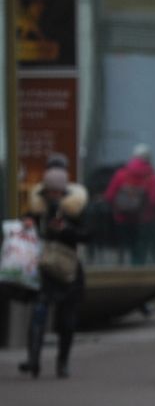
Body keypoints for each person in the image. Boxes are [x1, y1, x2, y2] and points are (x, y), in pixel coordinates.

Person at [19, 160, 88, 379]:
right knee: (38, 313)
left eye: (58, 191)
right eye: (51, 191)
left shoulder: (75, 206)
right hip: (44, 268)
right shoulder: (38, 205)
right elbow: (26, 226)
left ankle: (62, 362)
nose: (54, 195)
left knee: (67, 320)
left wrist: (66, 228)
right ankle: (33, 360)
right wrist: (28, 222)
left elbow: (88, 234)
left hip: (68, 270)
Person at [103, 145, 155, 265]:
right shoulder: (152, 177)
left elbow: (109, 196)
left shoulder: (121, 174)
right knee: (139, 250)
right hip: (143, 221)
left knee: (123, 249)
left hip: (122, 219)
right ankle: (137, 270)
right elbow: (153, 200)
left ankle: (121, 269)